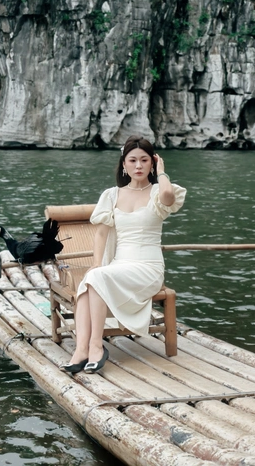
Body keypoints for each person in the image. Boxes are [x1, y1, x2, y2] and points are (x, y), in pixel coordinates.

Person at [61, 135, 186, 374]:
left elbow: (169, 198)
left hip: (148, 267)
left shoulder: (158, 192)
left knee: (95, 279)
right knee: (90, 280)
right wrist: (96, 263)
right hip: (119, 264)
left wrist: (162, 172)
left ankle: (96, 346)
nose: (138, 166)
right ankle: (81, 349)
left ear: (152, 162)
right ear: (124, 164)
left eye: (144, 160)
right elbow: (101, 234)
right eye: (132, 160)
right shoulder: (111, 195)